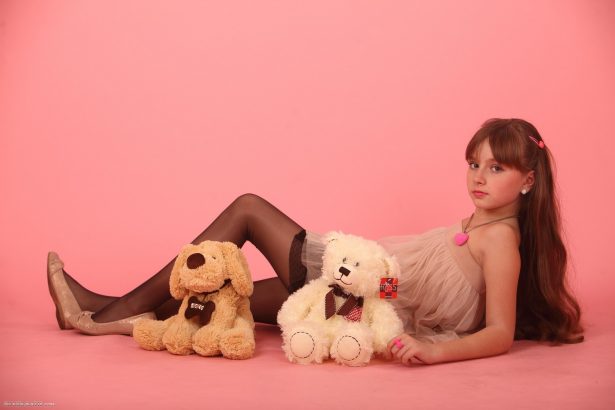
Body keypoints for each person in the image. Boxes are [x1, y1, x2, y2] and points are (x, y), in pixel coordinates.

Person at [47, 118, 584, 366]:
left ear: (528, 181)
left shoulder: (501, 241)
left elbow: (499, 334)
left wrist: (435, 350)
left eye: (496, 168)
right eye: (473, 163)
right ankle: (101, 308)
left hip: (354, 299)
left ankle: (109, 313)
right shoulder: (482, 225)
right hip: (348, 291)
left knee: (248, 208)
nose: (479, 177)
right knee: (226, 297)